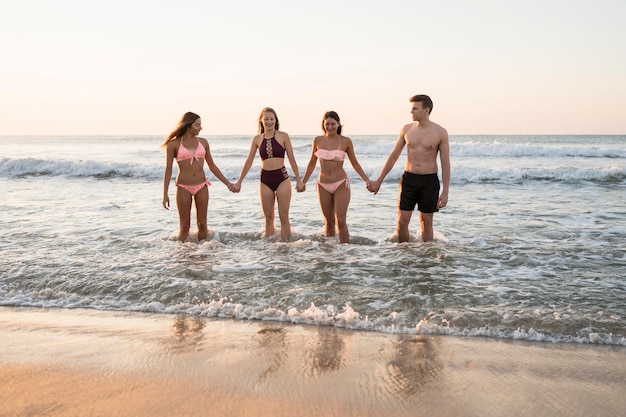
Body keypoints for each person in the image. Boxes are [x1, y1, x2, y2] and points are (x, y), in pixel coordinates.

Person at [368, 95, 450, 242]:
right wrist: (379, 180)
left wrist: (445, 191)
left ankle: (426, 258)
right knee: (402, 222)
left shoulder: (440, 132)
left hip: (429, 181)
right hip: (409, 179)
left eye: (414, 108)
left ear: (426, 110)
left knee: (426, 221)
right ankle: (404, 255)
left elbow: (445, 163)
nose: (411, 112)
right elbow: (393, 156)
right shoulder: (406, 129)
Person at [232, 107, 303, 241]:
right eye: (266, 119)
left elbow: (292, 159)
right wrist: (239, 181)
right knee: (268, 218)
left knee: (283, 216)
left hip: (282, 178)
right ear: (261, 121)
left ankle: (285, 245)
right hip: (265, 179)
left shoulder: (283, 136)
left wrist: (299, 180)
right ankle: (269, 250)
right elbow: (248, 161)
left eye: (271, 119)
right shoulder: (257, 139)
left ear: (276, 120)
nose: (269, 122)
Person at [162, 112, 235, 242]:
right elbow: (168, 170)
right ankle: (183, 255)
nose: (200, 128)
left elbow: (212, 166)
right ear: (188, 125)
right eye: (197, 125)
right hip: (183, 187)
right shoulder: (174, 144)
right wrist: (165, 194)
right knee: (184, 227)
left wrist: (228, 183)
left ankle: (202, 254)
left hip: (202, 185)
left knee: (202, 225)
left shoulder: (204, 142)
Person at [301, 111, 371, 243]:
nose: (330, 127)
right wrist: (303, 182)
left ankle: (345, 251)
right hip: (323, 184)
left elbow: (354, 163)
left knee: (341, 221)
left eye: (333, 124)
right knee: (329, 221)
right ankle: (331, 252)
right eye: (327, 124)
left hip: (340, 183)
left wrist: (366, 180)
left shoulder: (345, 141)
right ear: (323, 124)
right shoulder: (318, 140)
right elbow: (311, 163)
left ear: (338, 124)